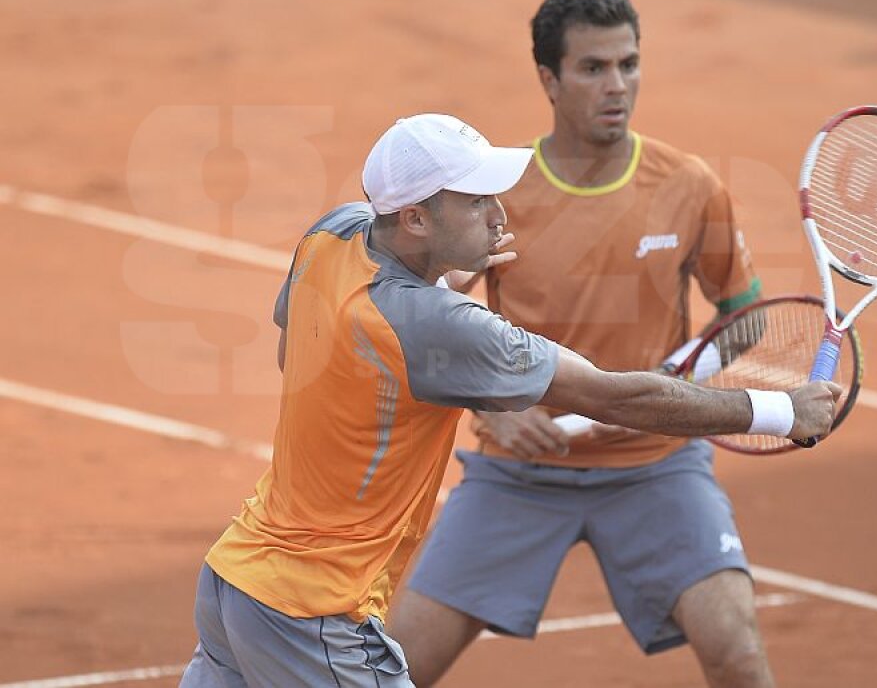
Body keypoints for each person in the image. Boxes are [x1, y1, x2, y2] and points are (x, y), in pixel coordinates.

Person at [179, 111, 840, 687]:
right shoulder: (442, 325)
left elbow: (292, 351)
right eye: (474, 200)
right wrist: (781, 409)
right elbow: (615, 395)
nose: (499, 211)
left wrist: (443, 275)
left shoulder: (332, 234)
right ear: (414, 217)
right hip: (312, 609)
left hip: (236, 579)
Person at [391, 0, 784, 688]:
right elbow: (425, 325)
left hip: (656, 466)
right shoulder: (499, 195)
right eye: (594, 68)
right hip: (520, 477)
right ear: (548, 78)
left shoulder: (689, 186)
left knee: (738, 651)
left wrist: (693, 371)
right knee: (399, 665)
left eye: (629, 64)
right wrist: (492, 410)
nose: (618, 86)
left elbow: (745, 312)